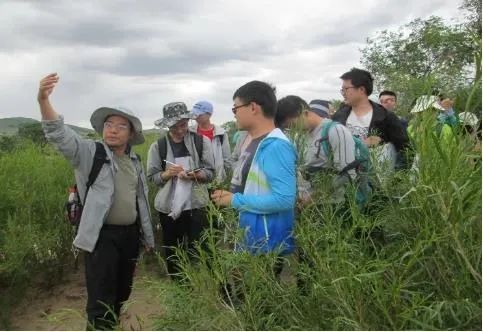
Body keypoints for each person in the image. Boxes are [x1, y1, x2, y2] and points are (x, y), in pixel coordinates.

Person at [37, 73, 155, 330]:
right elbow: (59, 134)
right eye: (109, 124)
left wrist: (146, 236)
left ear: (131, 133)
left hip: (130, 237)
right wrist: (43, 100)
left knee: (122, 293)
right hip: (102, 238)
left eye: (120, 125)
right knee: (101, 300)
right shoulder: (91, 153)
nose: (112, 129)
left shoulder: (135, 161)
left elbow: (140, 201)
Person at [211, 80, 297, 273]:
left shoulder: (276, 146)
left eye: (235, 108)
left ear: (253, 107)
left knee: (260, 299)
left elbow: (284, 199)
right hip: (251, 237)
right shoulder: (253, 141)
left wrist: (235, 200)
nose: (234, 114)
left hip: (265, 242)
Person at [147, 102, 215, 281]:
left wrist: (195, 175)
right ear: (167, 125)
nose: (179, 130)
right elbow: (153, 177)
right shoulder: (158, 146)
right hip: (169, 208)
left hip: (196, 204)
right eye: (174, 126)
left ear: (188, 121)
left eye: (183, 125)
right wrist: (167, 174)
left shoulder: (201, 142)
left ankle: (208, 284)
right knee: (173, 250)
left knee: (203, 247)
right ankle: (180, 287)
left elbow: (210, 173)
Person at [332, 68, 410, 170]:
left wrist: (382, 142)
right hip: (344, 176)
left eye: (346, 89)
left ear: (361, 90)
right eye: (342, 90)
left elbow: (406, 150)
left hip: (373, 179)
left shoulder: (386, 117)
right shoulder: (339, 115)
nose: (343, 93)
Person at [189, 101, 231, 182]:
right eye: (194, 114)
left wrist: (224, 176)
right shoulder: (190, 132)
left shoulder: (221, 133)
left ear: (209, 114)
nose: (196, 117)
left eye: (199, 114)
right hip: (196, 179)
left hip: (217, 180)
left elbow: (226, 158)